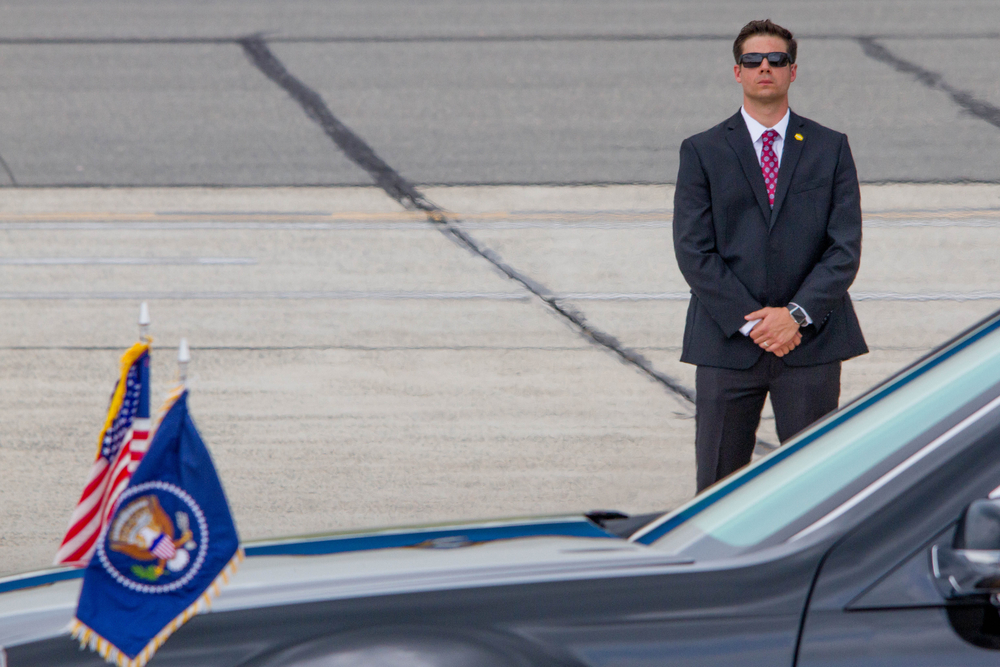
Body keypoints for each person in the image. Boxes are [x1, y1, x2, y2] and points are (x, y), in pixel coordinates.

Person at [673, 19, 868, 492]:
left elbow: (844, 248)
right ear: (737, 72)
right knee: (718, 486)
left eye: (776, 60)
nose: (765, 67)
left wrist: (794, 316)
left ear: (792, 71)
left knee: (814, 488)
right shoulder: (702, 150)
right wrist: (755, 323)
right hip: (727, 344)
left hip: (810, 344)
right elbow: (694, 249)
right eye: (753, 60)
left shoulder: (830, 147)